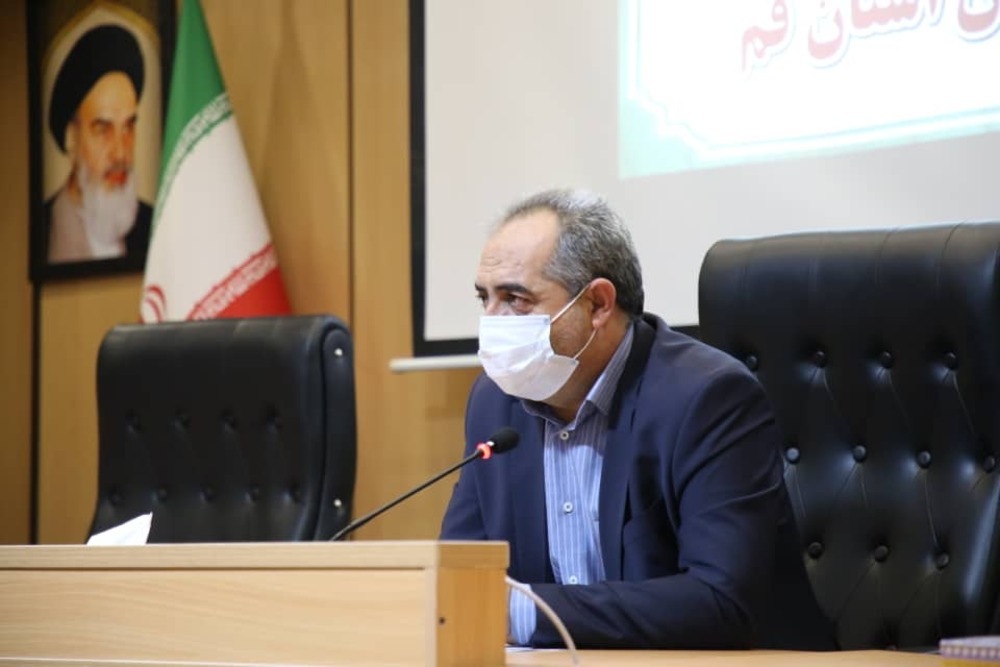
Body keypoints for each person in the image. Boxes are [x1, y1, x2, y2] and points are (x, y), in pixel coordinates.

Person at [440, 188, 835, 650]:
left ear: (598, 304)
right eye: (484, 298)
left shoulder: (707, 398)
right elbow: (458, 579)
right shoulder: (495, 401)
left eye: (514, 298)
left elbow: (721, 601)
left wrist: (521, 613)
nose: (491, 321)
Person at [44, 23, 152, 264]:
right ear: (71, 138)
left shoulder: (154, 225)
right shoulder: (45, 230)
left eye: (128, 127)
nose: (121, 153)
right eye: (103, 130)